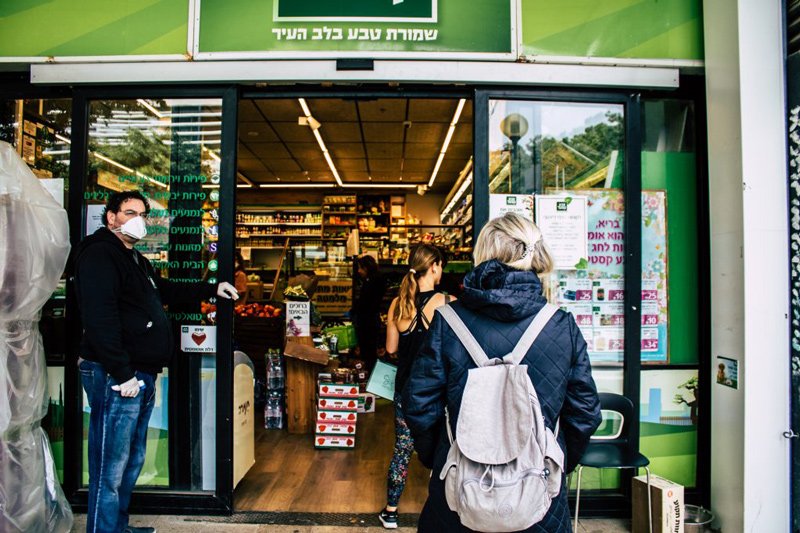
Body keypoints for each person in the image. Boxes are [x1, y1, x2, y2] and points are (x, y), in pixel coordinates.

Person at [402, 212, 602, 532]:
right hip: (538, 499)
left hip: (459, 495)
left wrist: (440, 454)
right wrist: (556, 459)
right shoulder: (561, 326)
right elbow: (586, 413)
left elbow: (418, 403)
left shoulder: (448, 321)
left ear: (482, 254)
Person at [71, 190, 239, 533]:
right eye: (130, 212)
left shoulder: (133, 257)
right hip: (117, 376)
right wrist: (122, 372)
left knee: (131, 461)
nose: (139, 219)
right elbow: (100, 318)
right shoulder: (100, 255)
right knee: (110, 464)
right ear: (111, 217)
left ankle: (117, 526)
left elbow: (163, 289)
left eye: (144, 214)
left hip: (138, 374)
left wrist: (211, 289)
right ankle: (104, 531)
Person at [378, 244, 453, 529]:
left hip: (406, 390)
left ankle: (391, 511)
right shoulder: (447, 302)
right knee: (442, 449)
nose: (441, 270)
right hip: (438, 390)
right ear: (433, 266)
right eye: (441, 265)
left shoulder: (398, 304)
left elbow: (391, 348)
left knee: (402, 450)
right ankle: (441, 510)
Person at [353, 254, 386, 370]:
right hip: (370, 320)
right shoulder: (376, 280)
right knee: (370, 351)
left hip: (368, 322)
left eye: (360, 268)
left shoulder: (372, 282)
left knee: (368, 351)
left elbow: (366, 303)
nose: (359, 271)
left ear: (366, 268)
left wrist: (356, 312)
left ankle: (368, 374)